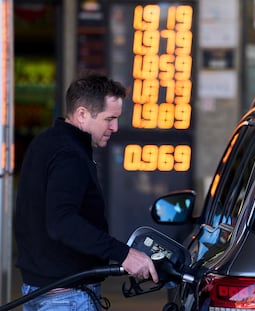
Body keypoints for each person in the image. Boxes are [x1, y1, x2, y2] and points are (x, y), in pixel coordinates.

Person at [14, 73, 158, 310]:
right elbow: (62, 222)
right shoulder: (70, 155)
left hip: (43, 290)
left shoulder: (46, 142)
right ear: (82, 114)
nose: (114, 127)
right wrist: (125, 254)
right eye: (109, 118)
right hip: (66, 297)